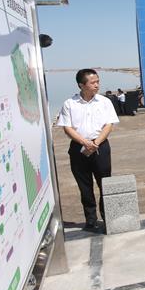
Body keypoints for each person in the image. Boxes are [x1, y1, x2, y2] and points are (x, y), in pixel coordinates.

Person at [55, 69, 119, 233]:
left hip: (100, 146)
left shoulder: (104, 101)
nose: (97, 85)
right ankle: (90, 220)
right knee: (85, 186)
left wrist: (95, 143)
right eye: (93, 82)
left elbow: (109, 125)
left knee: (105, 183)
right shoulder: (70, 103)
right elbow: (67, 127)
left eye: (98, 81)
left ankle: (108, 217)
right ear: (81, 85)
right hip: (78, 148)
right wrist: (84, 142)